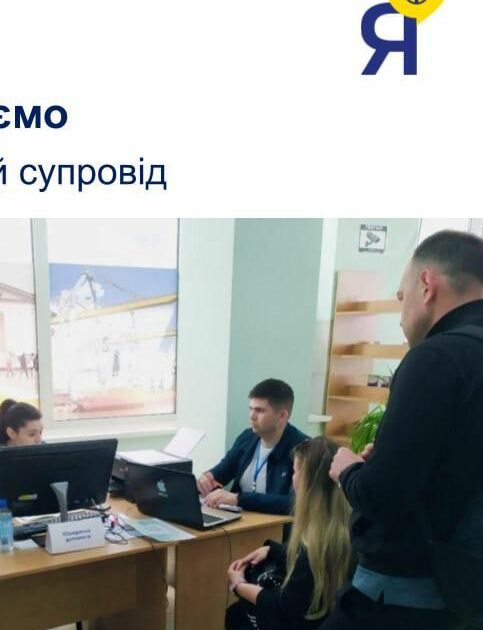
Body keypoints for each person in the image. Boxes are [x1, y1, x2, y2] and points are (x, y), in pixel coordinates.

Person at [326, 230, 483, 629]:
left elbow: (382, 495)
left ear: (426, 285)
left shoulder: (436, 357)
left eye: (401, 296)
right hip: (467, 591)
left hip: (404, 596)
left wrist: (348, 469)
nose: (399, 316)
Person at [226, 437, 353, 629]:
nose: (292, 479)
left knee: (235, 615)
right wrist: (273, 550)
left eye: (294, 472)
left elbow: (282, 607)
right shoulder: (347, 531)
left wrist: (238, 585)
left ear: (307, 482)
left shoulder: (311, 548)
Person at [197, 379, 308, 514]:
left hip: (275, 525)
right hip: (240, 520)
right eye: (250, 409)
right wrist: (207, 478)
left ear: (282, 416)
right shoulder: (247, 437)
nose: (252, 416)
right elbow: (223, 470)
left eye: (259, 411)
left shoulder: (304, 449)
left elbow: (297, 503)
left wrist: (239, 499)